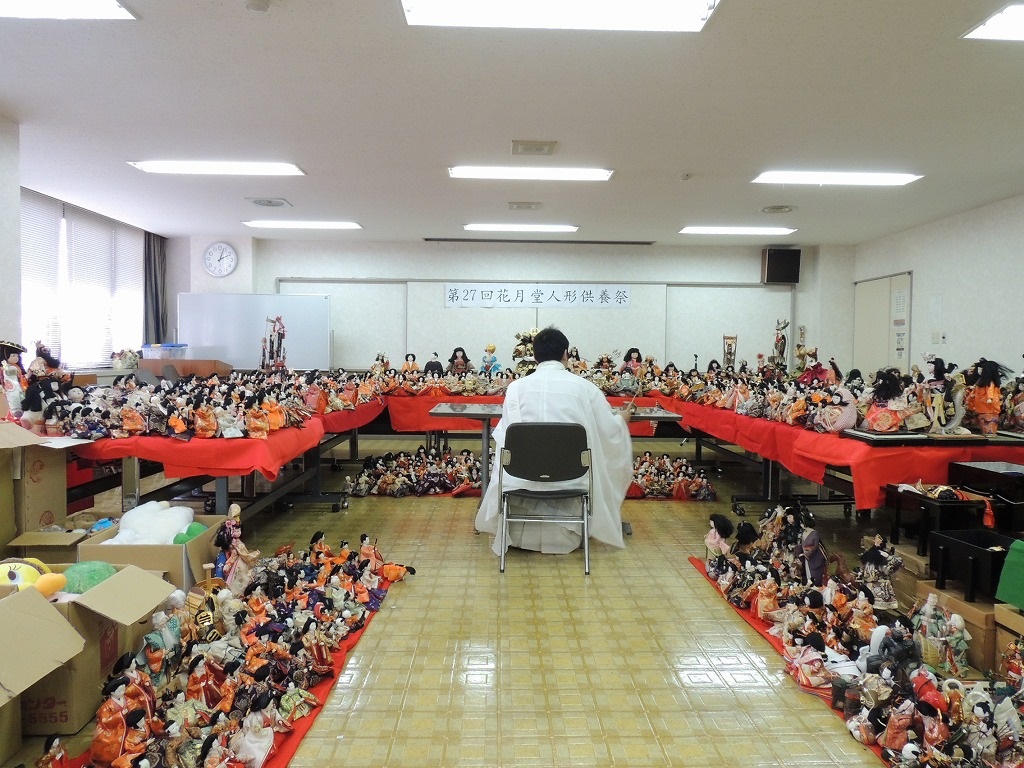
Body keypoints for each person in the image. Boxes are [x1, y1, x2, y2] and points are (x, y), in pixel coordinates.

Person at [475, 326, 633, 555]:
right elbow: (608, 430)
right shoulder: (585, 388)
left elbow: (505, 435)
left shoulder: (516, 389)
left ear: (535, 356)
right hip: (571, 477)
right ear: (565, 354)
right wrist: (622, 419)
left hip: (521, 475)